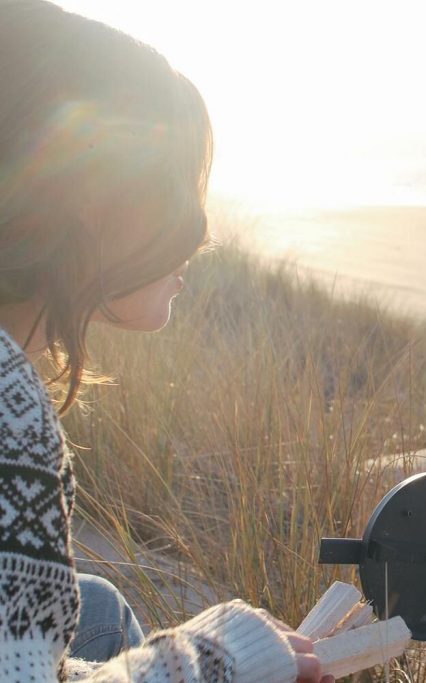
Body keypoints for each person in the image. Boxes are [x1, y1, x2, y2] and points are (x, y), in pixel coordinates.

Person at [0, 2, 332, 681]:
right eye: (172, 185)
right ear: (88, 193)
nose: (199, 233)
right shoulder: (12, 413)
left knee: (97, 606)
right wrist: (219, 658)